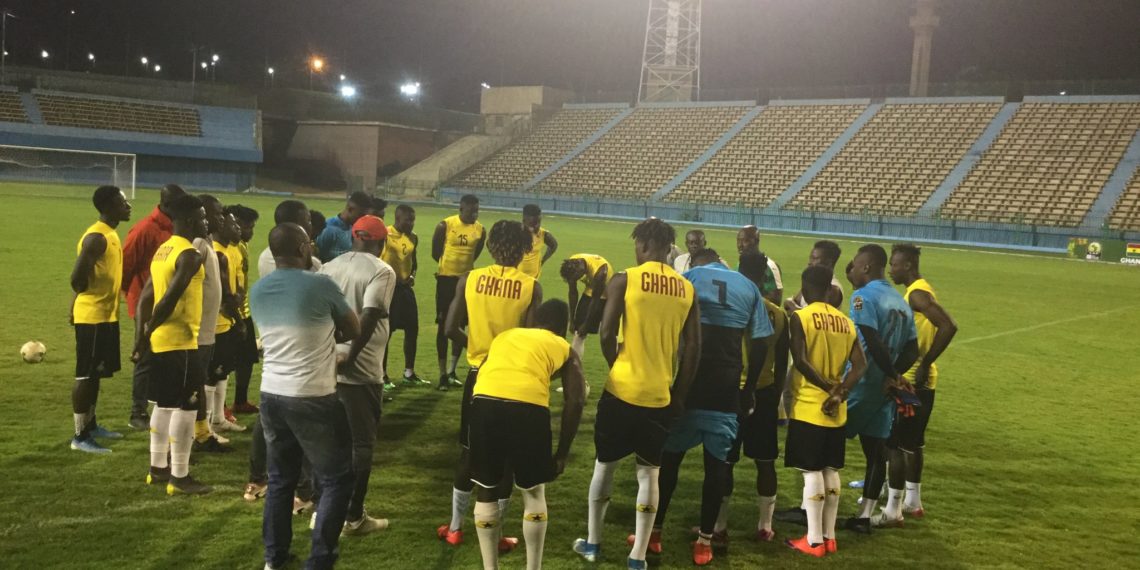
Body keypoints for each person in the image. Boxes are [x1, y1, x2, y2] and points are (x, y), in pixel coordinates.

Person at [573, 218, 701, 570]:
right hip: (660, 395)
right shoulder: (686, 288)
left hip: (623, 389)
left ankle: (594, 544)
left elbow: (605, 332)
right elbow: (693, 348)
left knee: (605, 466)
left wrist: (619, 366)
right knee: (649, 474)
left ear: (643, 245)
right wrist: (679, 394)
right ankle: (638, 557)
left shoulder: (625, 279)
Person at [251, 222, 360, 570]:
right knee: (336, 479)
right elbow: (353, 328)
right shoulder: (321, 284)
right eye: (308, 242)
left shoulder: (260, 288)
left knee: (281, 479)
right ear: (301, 249)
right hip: (313, 395)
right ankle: (320, 560)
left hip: (272, 393)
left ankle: (274, 559)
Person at [653, 249, 772, 566]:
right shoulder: (747, 286)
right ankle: (705, 541)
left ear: (694, 264)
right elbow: (760, 341)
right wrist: (748, 389)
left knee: (669, 461)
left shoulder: (689, 277)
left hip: (689, 385)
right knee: (717, 467)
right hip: (725, 386)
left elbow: (666, 325)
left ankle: (654, 533)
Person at [437, 220, 542, 551]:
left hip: (479, 376)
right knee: (507, 458)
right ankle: (497, 536)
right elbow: (531, 338)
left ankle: (455, 528)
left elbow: (450, 328)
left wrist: (477, 348)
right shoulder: (531, 286)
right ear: (526, 248)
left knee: (469, 453)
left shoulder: (471, 279)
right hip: (514, 380)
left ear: (492, 246)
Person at [468, 300, 587, 570]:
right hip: (528, 408)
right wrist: (562, 454)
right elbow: (576, 401)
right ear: (559, 328)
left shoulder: (505, 337)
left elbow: (483, 373)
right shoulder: (562, 346)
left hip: (484, 401)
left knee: (486, 488)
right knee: (533, 491)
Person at [319, 215, 396, 536]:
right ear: (382, 242)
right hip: (361, 371)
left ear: (354, 236)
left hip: (326, 367)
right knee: (361, 445)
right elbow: (372, 312)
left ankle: (325, 510)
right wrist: (351, 355)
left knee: (332, 443)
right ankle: (353, 517)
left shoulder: (329, 268)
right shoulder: (382, 270)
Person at [783, 265, 867, 557]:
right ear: (830, 290)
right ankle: (830, 537)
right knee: (831, 470)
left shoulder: (801, 318)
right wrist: (841, 391)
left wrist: (826, 388)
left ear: (806, 289)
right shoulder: (846, 322)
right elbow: (860, 365)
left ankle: (814, 539)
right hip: (837, 411)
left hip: (810, 405)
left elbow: (801, 361)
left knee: (811, 472)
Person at [134, 194, 210, 494]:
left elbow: (145, 297)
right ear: (190, 220)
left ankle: (157, 469)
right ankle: (180, 476)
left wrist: (143, 335)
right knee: (187, 407)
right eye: (203, 217)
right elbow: (169, 298)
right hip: (180, 340)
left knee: (164, 405)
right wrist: (151, 327)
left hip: (161, 341)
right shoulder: (190, 255)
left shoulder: (163, 250)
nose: (206, 222)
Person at [878, 244, 958, 525]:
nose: (891, 269)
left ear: (908, 265)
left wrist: (924, 363)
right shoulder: (920, 290)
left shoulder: (917, 294)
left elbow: (949, 325)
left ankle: (892, 510)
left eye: (895, 264)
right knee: (914, 444)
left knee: (895, 445)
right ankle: (913, 501)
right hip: (923, 382)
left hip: (910, 381)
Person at [841, 244, 919, 534]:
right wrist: (896, 376)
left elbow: (871, 340)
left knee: (829, 443)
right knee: (876, 453)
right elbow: (914, 348)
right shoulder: (900, 301)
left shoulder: (863, 297)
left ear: (866, 266)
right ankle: (864, 516)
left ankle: (816, 512)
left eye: (856, 264)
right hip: (884, 392)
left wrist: (891, 373)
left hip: (861, 385)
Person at [721, 252, 790, 542]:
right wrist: (775, 397)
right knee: (765, 461)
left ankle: (719, 526)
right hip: (764, 393)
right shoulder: (779, 313)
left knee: (724, 461)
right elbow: (783, 360)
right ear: (764, 275)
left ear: (738, 270)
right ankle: (765, 526)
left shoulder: (734, 305)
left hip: (734, 392)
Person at [69, 185, 131, 453]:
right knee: (85, 375)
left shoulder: (110, 233)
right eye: (122, 202)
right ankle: (79, 436)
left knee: (96, 373)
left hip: (106, 315)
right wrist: (82, 300)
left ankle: (91, 425)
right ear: (108, 207)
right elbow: (76, 279)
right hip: (92, 317)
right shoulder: (96, 238)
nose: (128, 206)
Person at [122, 183, 187, 430]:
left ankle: (161, 405)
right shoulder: (145, 229)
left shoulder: (178, 228)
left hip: (172, 307)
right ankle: (137, 412)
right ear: (167, 204)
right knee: (145, 357)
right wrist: (136, 301)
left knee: (165, 358)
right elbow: (124, 268)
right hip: (147, 305)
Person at [188, 195, 233, 455]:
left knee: (201, 380)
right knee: (195, 384)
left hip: (207, 328)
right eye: (213, 214)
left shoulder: (207, 243)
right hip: (197, 330)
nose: (218, 219)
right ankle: (197, 436)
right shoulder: (197, 244)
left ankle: (202, 432)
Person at [431, 194, 486, 390]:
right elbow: (435, 252)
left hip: (466, 281)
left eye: (477, 210)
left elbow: (476, 253)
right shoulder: (445, 225)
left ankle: (452, 371)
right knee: (443, 326)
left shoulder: (480, 230)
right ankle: (442, 373)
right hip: (446, 281)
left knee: (460, 325)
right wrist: (448, 270)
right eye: (471, 211)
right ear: (461, 208)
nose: (475, 214)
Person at [207, 211, 247, 435]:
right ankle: (208, 424)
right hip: (219, 322)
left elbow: (234, 288)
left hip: (226, 320)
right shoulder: (217, 254)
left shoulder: (231, 250)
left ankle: (218, 418)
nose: (237, 227)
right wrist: (239, 320)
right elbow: (224, 296)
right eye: (232, 223)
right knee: (212, 375)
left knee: (223, 373)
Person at [381, 204, 426, 386]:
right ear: (397, 218)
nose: (411, 223)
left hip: (405, 290)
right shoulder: (385, 234)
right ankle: (382, 375)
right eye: (408, 219)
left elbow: (414, 263)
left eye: (413, 220)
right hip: (389, 290)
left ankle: (409, 373)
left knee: (412, 329)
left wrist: (412, 276)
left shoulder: (413, 238)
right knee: (387, 333)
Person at [227, 204, 261, 415]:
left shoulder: (242, 246)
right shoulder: (226, 249)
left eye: (251, 227)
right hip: (229, 315)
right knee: (221, 365)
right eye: (245, 227)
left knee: (247, 359)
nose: (249, 232)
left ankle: (240, 401)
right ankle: (218, 410)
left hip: (244, 311)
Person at [559, 253, 612, 358]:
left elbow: (595, 300)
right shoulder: (572, 264)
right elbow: (573, 293)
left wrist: (586, 324)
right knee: (578, 333)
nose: (574, 281)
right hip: (591, 287)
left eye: (575, 279)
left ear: (579, 271)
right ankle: (574, 365)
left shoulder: (600, 272)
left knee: (609, 335)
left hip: (607, 292)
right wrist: (572, 320)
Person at [258, 200, 323, 276]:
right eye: (308, 221)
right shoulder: (312, 265)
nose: (311, 226)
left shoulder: (264, 258)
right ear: (297, 227)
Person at [785, 240, 844, 311]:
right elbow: (790, 303)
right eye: (810, 258)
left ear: (829, 262)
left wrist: (795, 309)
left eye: (814, 258)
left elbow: (816, 314)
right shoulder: (813, 282)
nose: (809, 262)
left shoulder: (833, 289)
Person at [315, 191, 372, 263]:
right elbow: (317, 260)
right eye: (360, 215)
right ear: (350, 209)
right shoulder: (328, 229)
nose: (362, 220)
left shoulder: (353, 228)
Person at [736, 225, 783, 304]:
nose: (740, 245)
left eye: (745, 241)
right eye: (738, 241)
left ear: (756, 241)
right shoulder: (738, 265)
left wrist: (748, 300)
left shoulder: (771, 267)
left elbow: (777, 300)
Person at [517, 204, 559, 279]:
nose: (537, 226)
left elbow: (554, 245)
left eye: (539, 222)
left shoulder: (543, 234)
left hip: (532, 278)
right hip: (514, 278)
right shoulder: (514, 233)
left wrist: (542, 261)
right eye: (533, 224)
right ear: (524, 220)